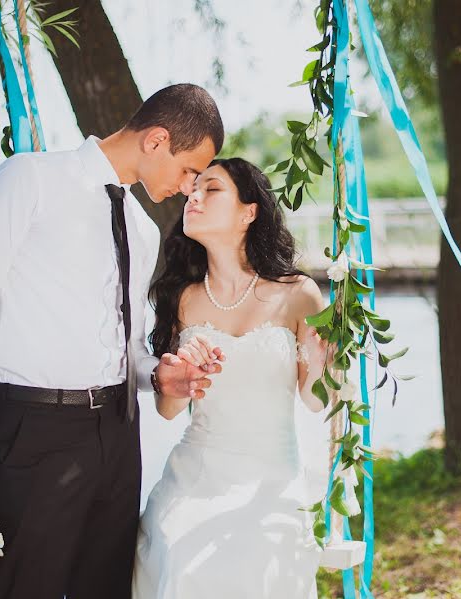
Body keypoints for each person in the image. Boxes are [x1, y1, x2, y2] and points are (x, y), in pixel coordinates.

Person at [0, 83, 226, 598]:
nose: (191, 187)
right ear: (157, 140)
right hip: (39, 430)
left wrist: (156, 373)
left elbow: (130, 347)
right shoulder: (31, 180)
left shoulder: (142, 231)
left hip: (121, 435)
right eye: (190, 170)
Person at [133, 158, 328, 598]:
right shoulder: (181, 297)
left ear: (249, 212)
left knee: (257, 559)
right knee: (178, 558)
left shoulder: (299, 293)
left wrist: (319, 363)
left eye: (212, 188)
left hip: (270, 478)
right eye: (192, 189)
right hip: (195, 475)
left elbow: (317, 401)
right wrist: (181, 378)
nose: (194, 196)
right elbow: (167, 410)